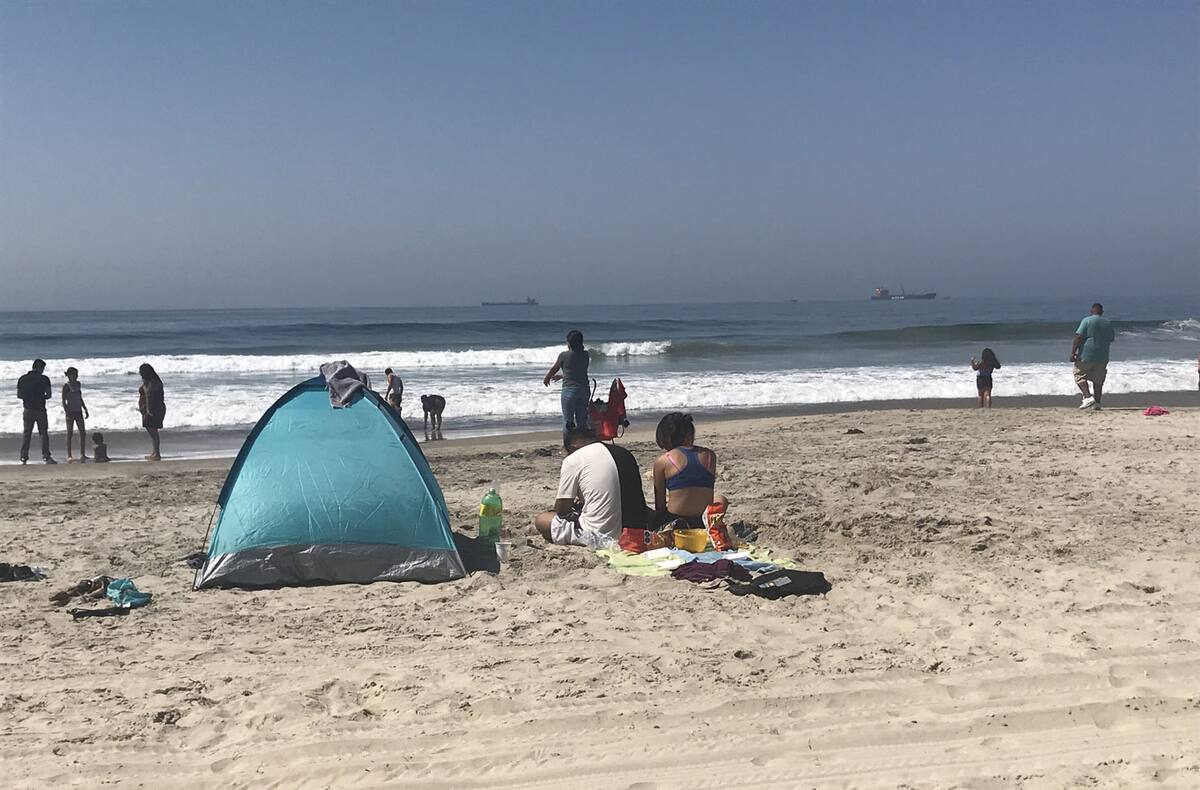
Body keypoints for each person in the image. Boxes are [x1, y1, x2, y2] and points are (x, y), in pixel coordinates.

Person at [531, 427, 646, 546]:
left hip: (603, 537)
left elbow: (562, 510)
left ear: (573, 447)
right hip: (637, 531)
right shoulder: (624, 452)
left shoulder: (573, 459)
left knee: (542, 520)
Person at [651, 412, 726, 528]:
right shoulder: (710, 455)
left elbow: (660, 508)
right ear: (690, 434)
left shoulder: (663, 461)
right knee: (721, 499)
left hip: (675, 522)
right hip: (702, 522)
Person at [543, 329, 590, 449]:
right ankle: (582, 445)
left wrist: (547, 377)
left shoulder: (564, 355)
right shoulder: (585, 355)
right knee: (581, 420)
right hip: (584, 390)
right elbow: (578, 371)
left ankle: (568, 446)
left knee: (568, 421)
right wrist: (563, 375)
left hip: (569, 390)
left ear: (569, 342)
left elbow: (554, 368)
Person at [1071, 303, 1116, 411]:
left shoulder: (1087, 320)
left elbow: (1079, 337)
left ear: (1091, 311)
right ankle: (1098, 403)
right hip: (1103, 355)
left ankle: (1087, 397)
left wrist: (1073, 352)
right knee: (1098, 380)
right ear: (1102, 312)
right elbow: (1111, 338)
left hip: (1087, 353)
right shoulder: (1107, 322)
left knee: (1079, 375)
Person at [16, 359, 56, 465]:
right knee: (43, 433)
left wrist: (29, 397)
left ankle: (23, 458)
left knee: (27, 434)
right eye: (42, 368)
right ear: (39, 368)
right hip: (40, 409)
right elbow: (49, 395)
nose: (43, 371)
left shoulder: (23, 379)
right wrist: (40, 397)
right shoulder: (44, 379)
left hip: (28, 409)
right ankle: (46, 457)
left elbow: (19, 395)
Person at [137, 363, 165, 460]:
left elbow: (149, 395)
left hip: (151, 410)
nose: (139, 373)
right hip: (158, 409)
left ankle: (156, 453)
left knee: (153, 432)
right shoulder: (157, 381)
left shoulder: (149, 383)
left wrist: (148, 409)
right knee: (153, 432)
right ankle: (155, 452)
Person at [61, 367, 89, 461]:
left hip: (78, 410)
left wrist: (85, 408)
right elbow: (63, 401)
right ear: (69, 375)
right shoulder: (66, 386)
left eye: (77, 374)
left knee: (82, 432)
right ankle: (69, 454)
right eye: (74, 374)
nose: (76, 376)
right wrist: (66, 411)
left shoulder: (78, 384)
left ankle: (82, 454)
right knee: (70, 433)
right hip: (70, 411)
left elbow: (80, 397)